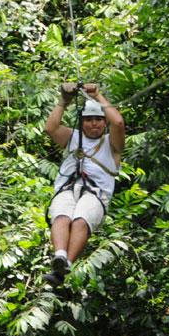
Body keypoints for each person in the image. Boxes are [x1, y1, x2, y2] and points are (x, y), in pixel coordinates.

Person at [43, 82, 125, 285]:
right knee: (61, 215)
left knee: (80, 220)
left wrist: (98, 96)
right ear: (82, 123)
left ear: (105, 123)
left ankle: (66, 264)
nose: (94, 124)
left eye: (98, 120)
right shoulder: (73, 137)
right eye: (88, 120)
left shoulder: (111, 144)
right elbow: (50, 128)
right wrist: (64, 101)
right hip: (68, 187)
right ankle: (60, 256)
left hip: (96, 194)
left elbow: (119, 123)